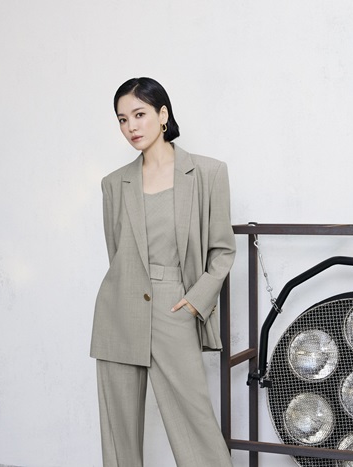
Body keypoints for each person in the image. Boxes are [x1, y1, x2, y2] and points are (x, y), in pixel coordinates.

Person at [90, 77, 236, 467]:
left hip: (175, 305)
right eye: (122, 120)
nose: (131, 127)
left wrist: (195, 302)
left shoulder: (207, 173)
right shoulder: (113, 185)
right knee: (119, 436)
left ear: (163, 114)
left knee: (195, 424)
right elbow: (118, 254)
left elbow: (223, 250)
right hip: (119, 311)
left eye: (139, 114)